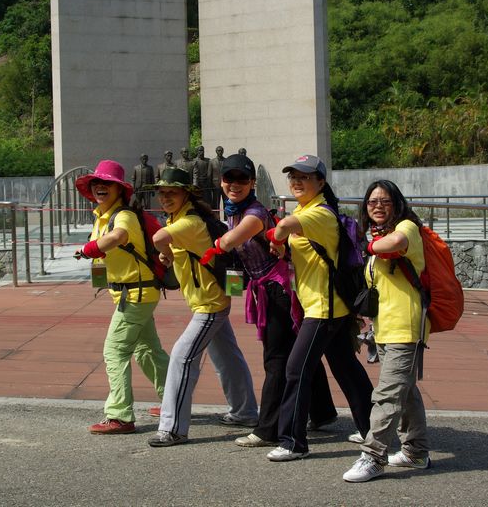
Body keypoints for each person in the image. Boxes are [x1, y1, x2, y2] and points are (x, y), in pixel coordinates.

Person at [197, 154, 337, 448]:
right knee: (294, 353)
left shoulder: (254, 213)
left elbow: (232, 239)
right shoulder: (234, 210)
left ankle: (268, 429)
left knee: (276, 359)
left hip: (279, 290)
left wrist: (215, 245)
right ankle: (323, 413)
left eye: (241, 180)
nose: (234, 185)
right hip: (271, 289)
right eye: (228, 179)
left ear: (252, 183)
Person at [264, 154, 373, 462]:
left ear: (321, 182)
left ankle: (292, 442)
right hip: (328, 305)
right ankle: (372, 429)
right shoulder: (308, 209)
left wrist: (277, 237)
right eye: (293, 177)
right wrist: (283, 244)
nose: (297, 181)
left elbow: (284, 225)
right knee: (346, 368)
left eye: (305, 177)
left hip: (322, 309)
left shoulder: (320, 213)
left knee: (296, 369)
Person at [147, 167, 258, 447]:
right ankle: (245, 411)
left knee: (182, 359)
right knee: (228, 358)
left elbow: (159, 238)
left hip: (209, 305)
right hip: (210, 300)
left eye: (172, 192)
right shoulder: (184, 218)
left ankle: (172, 428)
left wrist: (166, 253)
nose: (165, 197)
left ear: (186, 194)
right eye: (162, 192)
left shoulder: (188, 223)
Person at [342, 179, 431, 483]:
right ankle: (416, 452)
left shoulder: (407, 229)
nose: (378, 206)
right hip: (385, 327)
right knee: (405, 392)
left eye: (385, 201)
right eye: (372, 202)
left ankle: (373, 456)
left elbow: (393, 245)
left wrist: (364, 244)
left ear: (397, 204)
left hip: (406, 326)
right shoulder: (376, 237)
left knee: (387, 395)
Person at [73, 160, 170, 435]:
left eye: (108, 184)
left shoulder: (122, 215)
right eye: (97, 183)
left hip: (136, 294)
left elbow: (117, 237)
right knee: (148, 351)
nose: (100, 187)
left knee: (114, 351)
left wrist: (87, 248)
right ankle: (174, 400)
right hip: (134, 293)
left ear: (119, 190)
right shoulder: (103, 215)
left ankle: (119, 416)